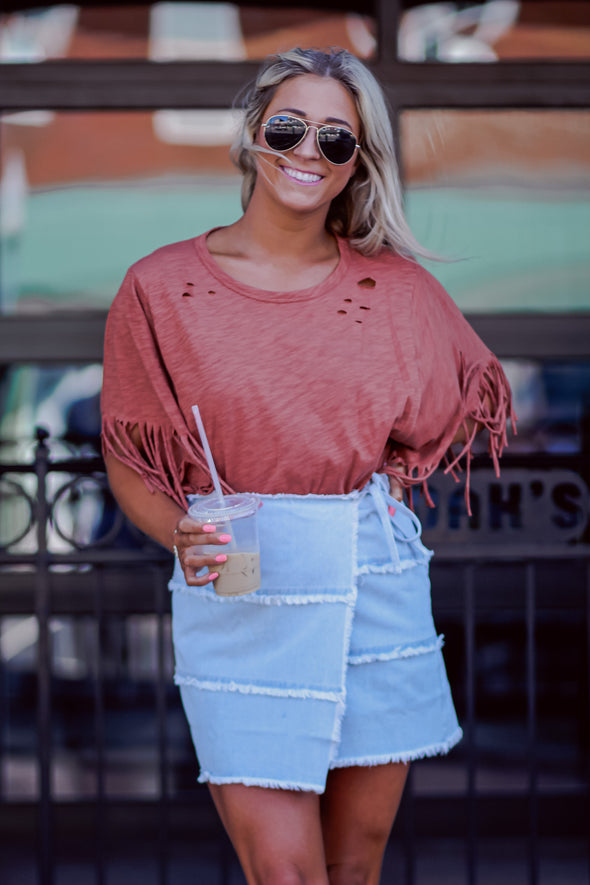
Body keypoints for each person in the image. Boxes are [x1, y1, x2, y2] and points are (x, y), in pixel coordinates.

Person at [101, 47, 514, 885]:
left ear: (357, 165)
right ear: (254, 132)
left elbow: (464, 400)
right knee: (285, 872)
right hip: (245, 591)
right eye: (289, 127)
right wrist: (175, 530)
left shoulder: (392, 290)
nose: (307, 152)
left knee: (353, 864)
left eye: (336, 140)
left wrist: (392, 479)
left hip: (374, 586)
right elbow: (131, 457)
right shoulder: (159, 287)